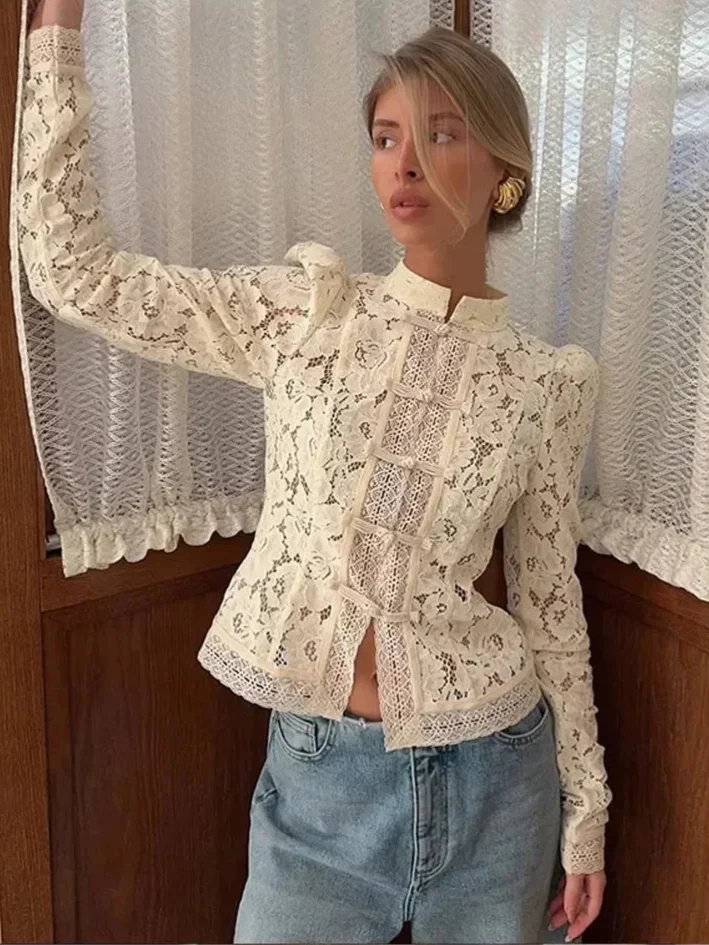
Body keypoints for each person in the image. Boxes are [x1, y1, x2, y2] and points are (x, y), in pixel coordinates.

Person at [20, 2, 612, 943]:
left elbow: (549, 603)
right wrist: (56, 25)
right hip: (320, 786)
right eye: (385, 137)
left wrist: (585, 816)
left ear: (505, 170)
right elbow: (74, 274)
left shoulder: (545, 383)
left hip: (498, 782)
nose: (403, 163)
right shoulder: (307, 313)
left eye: (439, 133)